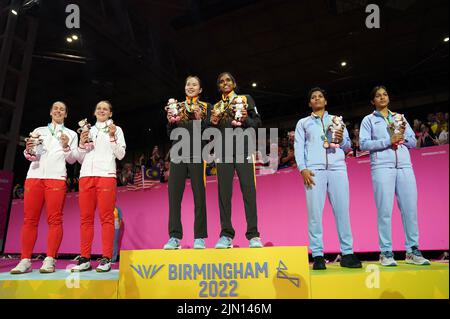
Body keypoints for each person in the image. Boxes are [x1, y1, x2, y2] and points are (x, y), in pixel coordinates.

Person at [359, 86, 430, 266]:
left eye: (385, 94)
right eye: (378, 95)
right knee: (384, 211)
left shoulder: (399, 117)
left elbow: (413, 142)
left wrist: (401, 137)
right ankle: (386, 252)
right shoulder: (368, 120)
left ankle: (413, 251)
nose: (382, 97)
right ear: (372, 101)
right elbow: (363, 144)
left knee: (410, 210)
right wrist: (387, 141)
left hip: (405, 166)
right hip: (382, 166)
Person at [294, 87, 362, 270]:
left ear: (325, 101)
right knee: (315, 215)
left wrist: (341, 140)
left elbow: (348, 146)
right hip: (314, 171)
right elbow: (299, 147)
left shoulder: (336, 120)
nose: (317, 99)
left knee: (342, 212)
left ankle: (347, 253)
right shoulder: (303, 123)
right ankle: (317, 255)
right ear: (310, 103)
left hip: (338, 169)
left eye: (320, 96)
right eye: (313, 97)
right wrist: (303, 169)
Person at [10, 101, 78, 274]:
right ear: (50, 112)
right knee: (29, 220)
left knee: (55, 220)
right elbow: (30, 156)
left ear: (66, 114)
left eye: (62, 109)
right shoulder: (39, 131)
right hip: (34, 177)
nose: (58, 111)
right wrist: (29, 150)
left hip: (56, 178)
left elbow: (72, 159)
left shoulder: (70, 134)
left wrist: (65, 145)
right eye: (55, 108)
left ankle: (50, 260)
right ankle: (25, 260)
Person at [71, 101, 126, 272]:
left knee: (107, 218)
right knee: (85, 218)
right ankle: (85, 258)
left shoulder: (116, 129)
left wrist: (112, 136)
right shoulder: (88, 130)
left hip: (106, 176)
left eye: (105, 109)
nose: (102, 110)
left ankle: (106, 258)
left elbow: (121, 154)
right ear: (95, 113)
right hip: (86, 176)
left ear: (110, 113)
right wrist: (81, 142)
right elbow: (79, 158)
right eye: (99, 108)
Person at [209, 72, 263, 249]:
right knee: (224, 194)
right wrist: (213, 123)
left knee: (249, 191)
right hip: (222, 153)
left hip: (243, 150)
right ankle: (226, 235)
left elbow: (257, 123)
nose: (225, 83)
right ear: (219, 86)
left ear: (234, 83)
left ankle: (253, 235)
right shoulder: (216, 106)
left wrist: (244, 118)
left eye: (228, 80)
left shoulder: (245, 99)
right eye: (221, 81)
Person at [163, 76, 211, 249]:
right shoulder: (177, 107)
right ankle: (174, 237)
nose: (191, 87)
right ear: (184, 88)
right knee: (174, 197)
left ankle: (199, 237)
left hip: (198, 155)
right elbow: (170, 133)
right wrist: (170, 123)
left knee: (200, 196)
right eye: (188, 84)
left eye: (194, 84)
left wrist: (200, 120)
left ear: (200, 89)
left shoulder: (206, 107)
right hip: (178, 155)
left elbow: (210, 133)